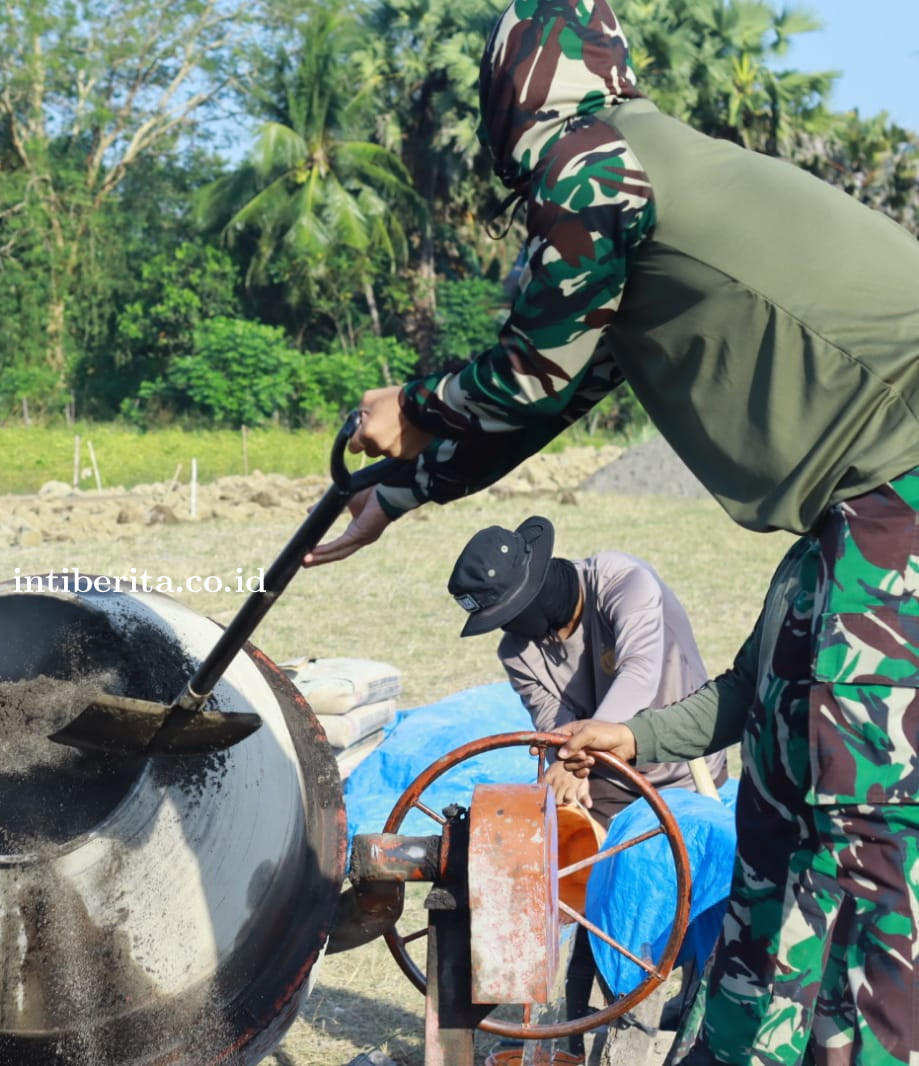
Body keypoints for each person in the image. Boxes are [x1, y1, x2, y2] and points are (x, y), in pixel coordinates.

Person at [303, 0, 919, 1061]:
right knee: (776, 810)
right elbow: (558, 388)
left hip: (897, 499)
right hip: (853, 516)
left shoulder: (596, 159)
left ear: (513, 94)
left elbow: (533, 367)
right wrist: (404, 489)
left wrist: (416, 405)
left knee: (859, 858)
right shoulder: (640, 209)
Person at [447, 515, 727, 826]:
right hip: (605, 775)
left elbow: (639, 673)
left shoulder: (624, 582)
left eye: (506, 617)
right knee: (555, 840)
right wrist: (570, 762)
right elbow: (555, 725)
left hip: (681, 764)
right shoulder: (517, 654)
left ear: (532, 594)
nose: (507, 629)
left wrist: (579, 750)